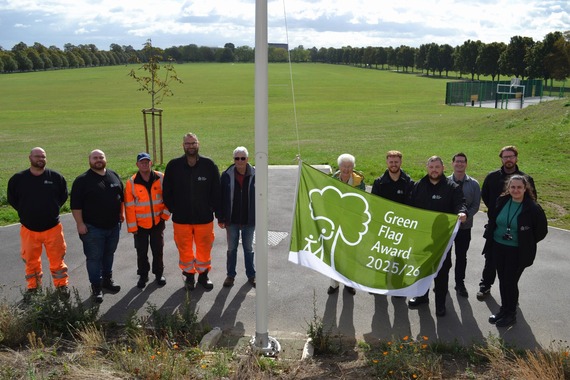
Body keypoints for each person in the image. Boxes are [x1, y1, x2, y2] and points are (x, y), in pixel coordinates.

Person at [484, 175, 547, 327]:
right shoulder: (502, 201)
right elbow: (493, 220)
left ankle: (511, 314)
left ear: (526, 188)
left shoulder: (532, 208)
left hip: (517, 251)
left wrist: (525, 242)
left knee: (510, 282)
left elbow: (541, 232)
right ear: (508, 188)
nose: (516, 190)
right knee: (502, 279)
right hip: (498, 247)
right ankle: (503, 310)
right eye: (513, 187)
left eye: (519, 187)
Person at [408, 156, 467, 317]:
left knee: (441, 271)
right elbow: (410, 207)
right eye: (431, 167)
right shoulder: (418, 186)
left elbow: (460, 204)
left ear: (443, 168)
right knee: (422, 268)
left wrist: (462, 212)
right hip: (422, 238)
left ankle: (440, 304)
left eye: (437, 167)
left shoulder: (452, 187)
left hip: (442, 239)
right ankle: (422, 296)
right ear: (427, 168)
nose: (434, 170)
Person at [7, 147, 70, 300]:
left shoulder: (55, 177)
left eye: (43, 156)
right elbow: (12, 199)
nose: (40, 159)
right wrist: (26, 212)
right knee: (30, 261)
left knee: (57, 260)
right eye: (37, 156)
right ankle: (33, 288)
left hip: (53, 228)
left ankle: (62, 285)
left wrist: (51, 210)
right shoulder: (18, 179)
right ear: (30, 158)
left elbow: (63, 197)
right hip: (29, 228)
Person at [163, 133, 221, 291]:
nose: (190, 146)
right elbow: (166, 191)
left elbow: (216, 191)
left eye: (193, 143)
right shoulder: (173, 165)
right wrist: (174, 208)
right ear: (183, 145)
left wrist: (213, 209)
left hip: (204, 218)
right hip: (181, 218)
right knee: (184, 248)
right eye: (187, 143)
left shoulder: (209, 165)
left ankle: (203, 275)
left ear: (198, 144)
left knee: (204, 248)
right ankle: (189, 275)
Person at [478, 145, 536, 300]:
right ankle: (485, 286)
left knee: (512, 269)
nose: (508, 159)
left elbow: (532, 202)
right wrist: (497, 213)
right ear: (501, 159)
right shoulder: (492, 177)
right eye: (505, 157)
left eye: (511, 156)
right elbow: (485, 195)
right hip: (495, 226)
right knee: (490, 260)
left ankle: (510, 295)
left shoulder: (526, 179)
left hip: (516, 232)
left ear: (516, 158)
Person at [71, 149, 124, 303]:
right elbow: (75, 206)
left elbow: (121, 197)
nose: (98, 160)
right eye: (95, 158)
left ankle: (107, 281)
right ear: (89, 160)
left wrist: (121, 214)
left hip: (114, 226)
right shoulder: (82, 180)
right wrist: (80, 224)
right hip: (92, 228)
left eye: (101, 157)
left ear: (105, 159)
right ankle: (96, 286)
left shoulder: (113, 175)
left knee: (109, 254)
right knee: (94, 258)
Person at [371, 150, 414, 298]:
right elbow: (374, 206)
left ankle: (397, 286)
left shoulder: (408, 182)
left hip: (402, 228)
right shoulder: (379, 182)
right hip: (384, 228)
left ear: (401, 162)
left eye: (396, 162)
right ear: (387, 162)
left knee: (399, 258)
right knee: (381, 256)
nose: (394, 164)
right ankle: (378, 284)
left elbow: (411, 206)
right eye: (391, 162)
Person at [124, 152, 170, 289]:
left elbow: (169, 198)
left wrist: (164, 216)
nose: (144, 164)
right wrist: (133, 228)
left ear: (151, 163)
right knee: (141, 252)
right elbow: (129, 207)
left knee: (158, 250)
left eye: (147, 161)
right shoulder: (131, 182)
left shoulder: (161, 178)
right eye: (141, 162)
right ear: (137, 164)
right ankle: (143, 275)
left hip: (157, 221)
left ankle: (159, 273)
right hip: (140, 225)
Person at [327, 153, 365, 296]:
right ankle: (334, 284)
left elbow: (361, 202)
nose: (346, 169)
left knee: (350, 254)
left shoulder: (359, 181)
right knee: (334, 254)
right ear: (339, 166)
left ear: (353, 168)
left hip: (352, 224)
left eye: (350, 167)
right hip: (335, 222)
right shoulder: (332, 180)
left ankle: (349, 283)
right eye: (344, 166)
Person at [218, 146, 256, 288]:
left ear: (248, 159)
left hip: (249, 220)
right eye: (236, 158)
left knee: (248, 249)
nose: (239, 161)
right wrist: (221, 218)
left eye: (243, 158)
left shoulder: (256, 174)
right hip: (231, 221)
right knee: (231, 249)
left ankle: (251, 275)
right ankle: (230, 275)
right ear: (233, 159)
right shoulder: (226, 175)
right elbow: (220, 198)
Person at [447, 153, 481, 298]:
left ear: (466, 164)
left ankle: (459, 283)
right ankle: (442, 283)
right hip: (447, 228)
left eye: (462, 162)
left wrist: (465, 217)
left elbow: (475, 205)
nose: (459, 164)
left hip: (464, 227)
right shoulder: (445, 181)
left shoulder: (474, 184)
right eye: (457, 162)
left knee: (461, 256)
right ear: (452, 164)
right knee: (445, 256)